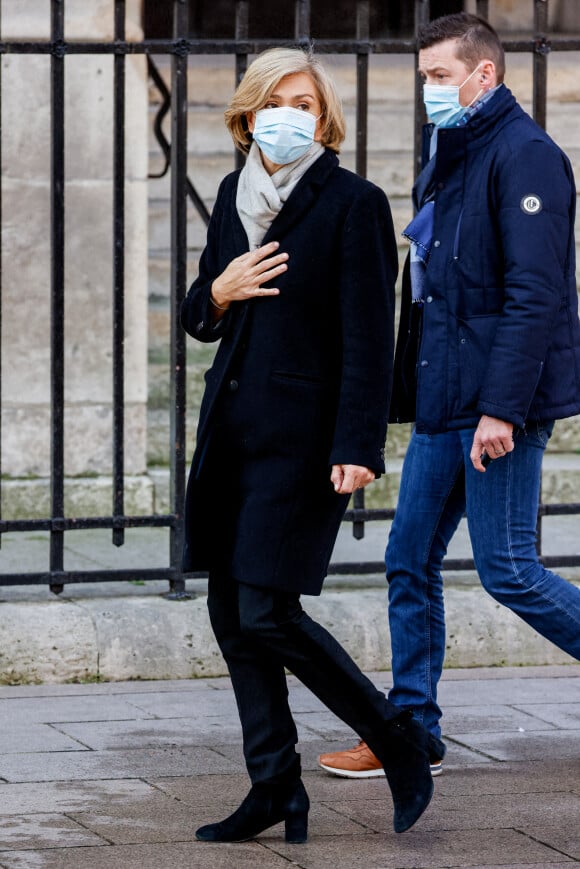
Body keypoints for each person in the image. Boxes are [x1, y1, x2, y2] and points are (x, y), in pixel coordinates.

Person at [180, 46, 445, 844]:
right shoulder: (234, 193)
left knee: (267, 608)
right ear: (248, 113)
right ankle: (275, 787)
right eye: (276, 99)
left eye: (305, 101)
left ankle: (396, 735)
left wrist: (359, 443)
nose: (290, 113)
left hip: (303, 444)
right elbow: (201, 314)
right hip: (232, 434)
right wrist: (218, 293)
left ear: (323, 118)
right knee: (231, 609)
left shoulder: (353, 202)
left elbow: (370, 336)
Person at [319, 12, 580, 781]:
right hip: (446, 395)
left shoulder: (526, 157)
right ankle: (411, 730)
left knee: (507, 568)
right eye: (425, 74)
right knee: (408, 557)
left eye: (439, 75)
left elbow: (535, 295)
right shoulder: (454, 152)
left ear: (483, 75)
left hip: (498, 404)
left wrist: (502, 408)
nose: (429, 88)